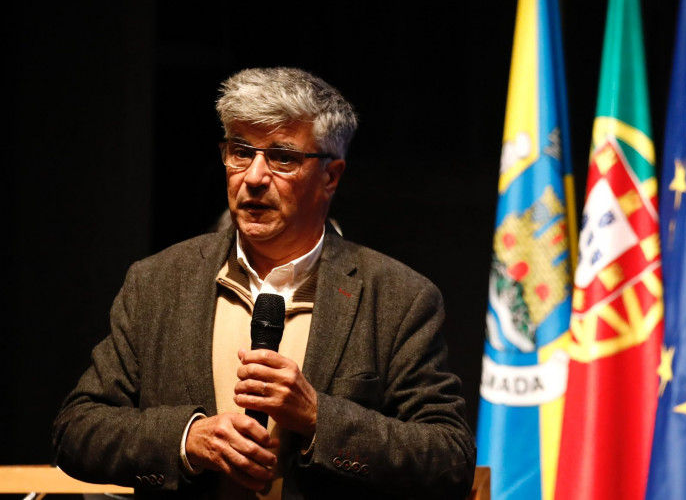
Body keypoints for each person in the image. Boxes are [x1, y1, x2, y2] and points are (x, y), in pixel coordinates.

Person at [52, 67, 476, 499]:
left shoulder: (397, 297)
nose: (253, 177)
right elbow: (77, 429)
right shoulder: (159, 282)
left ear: (331, 176)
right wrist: (188, 439)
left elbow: (450, 459)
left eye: (282, 157)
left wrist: (317, 417)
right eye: (241, 152)